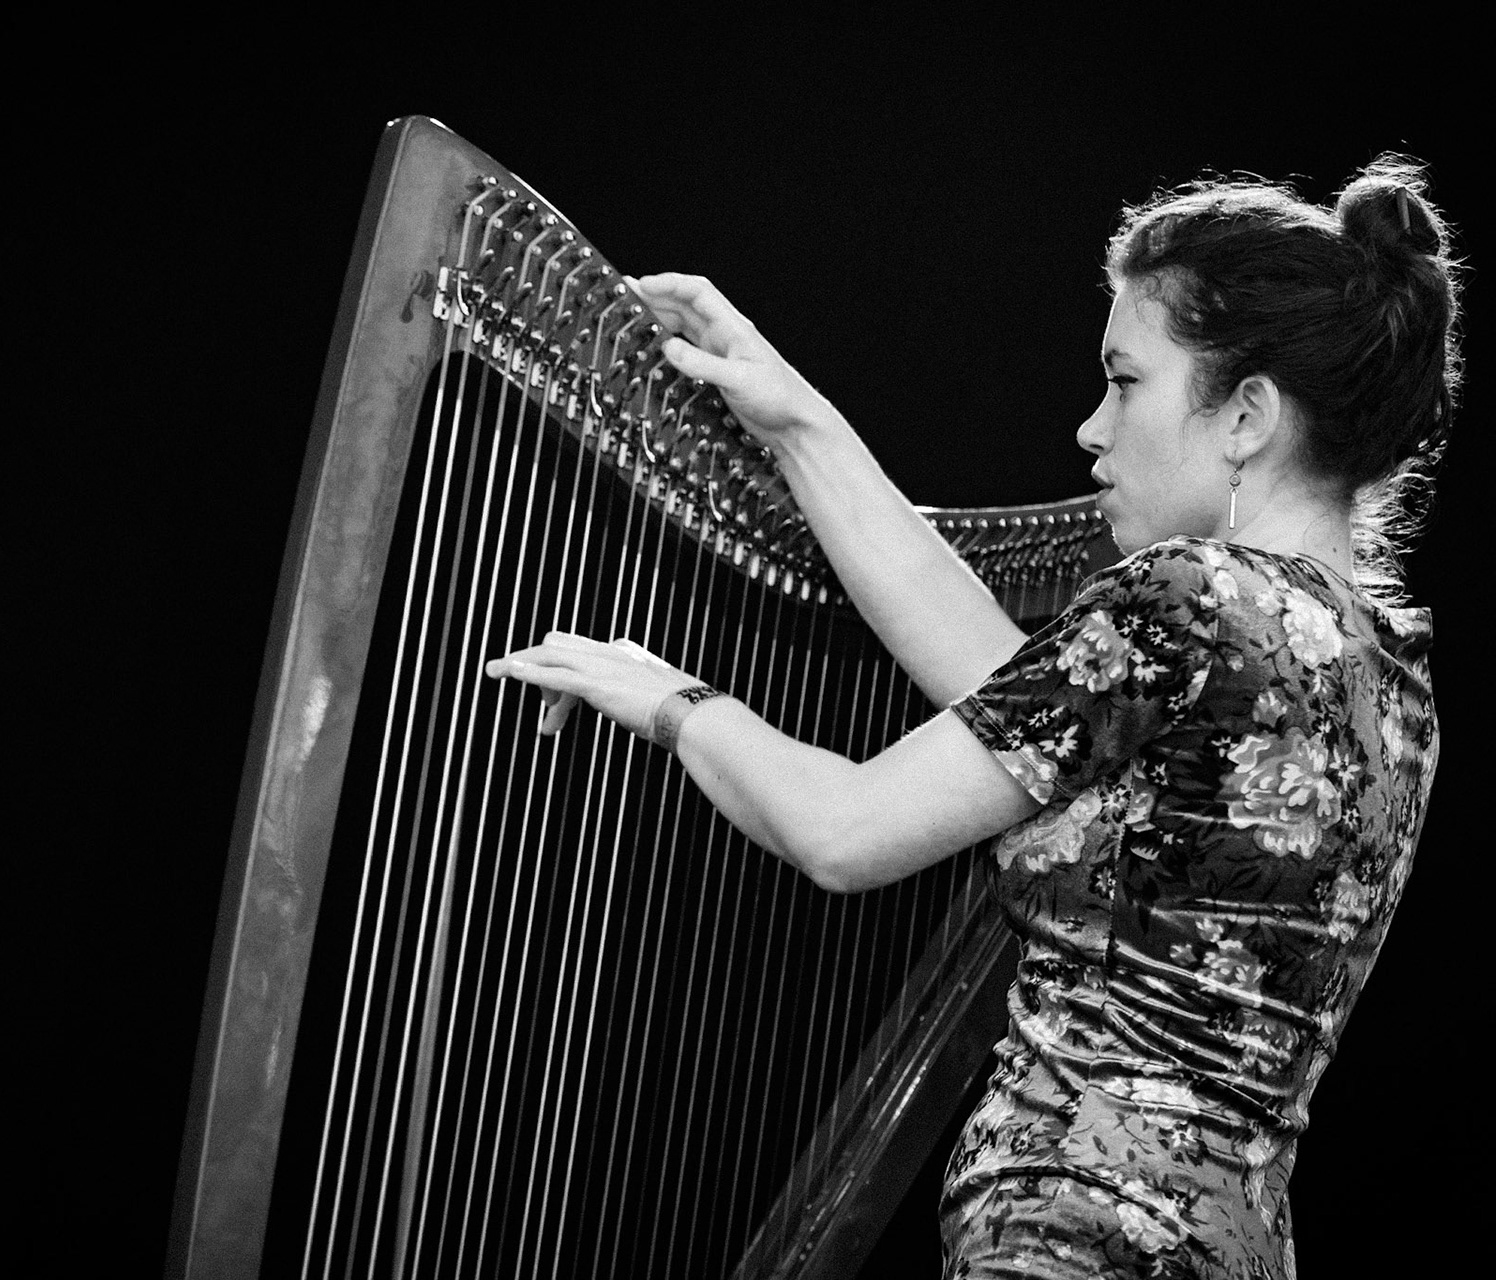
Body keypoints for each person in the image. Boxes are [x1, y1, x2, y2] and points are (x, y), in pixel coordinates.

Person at [483, 155, 1459, 1277]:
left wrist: (668, 699)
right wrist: (797, 423)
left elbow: (844, 831)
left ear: (1246, 415)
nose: (1091, 429)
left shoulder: (1187, 596)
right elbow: (1008, 694)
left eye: (1125, 382)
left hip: (1072, 1234)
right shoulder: (1384, 672)